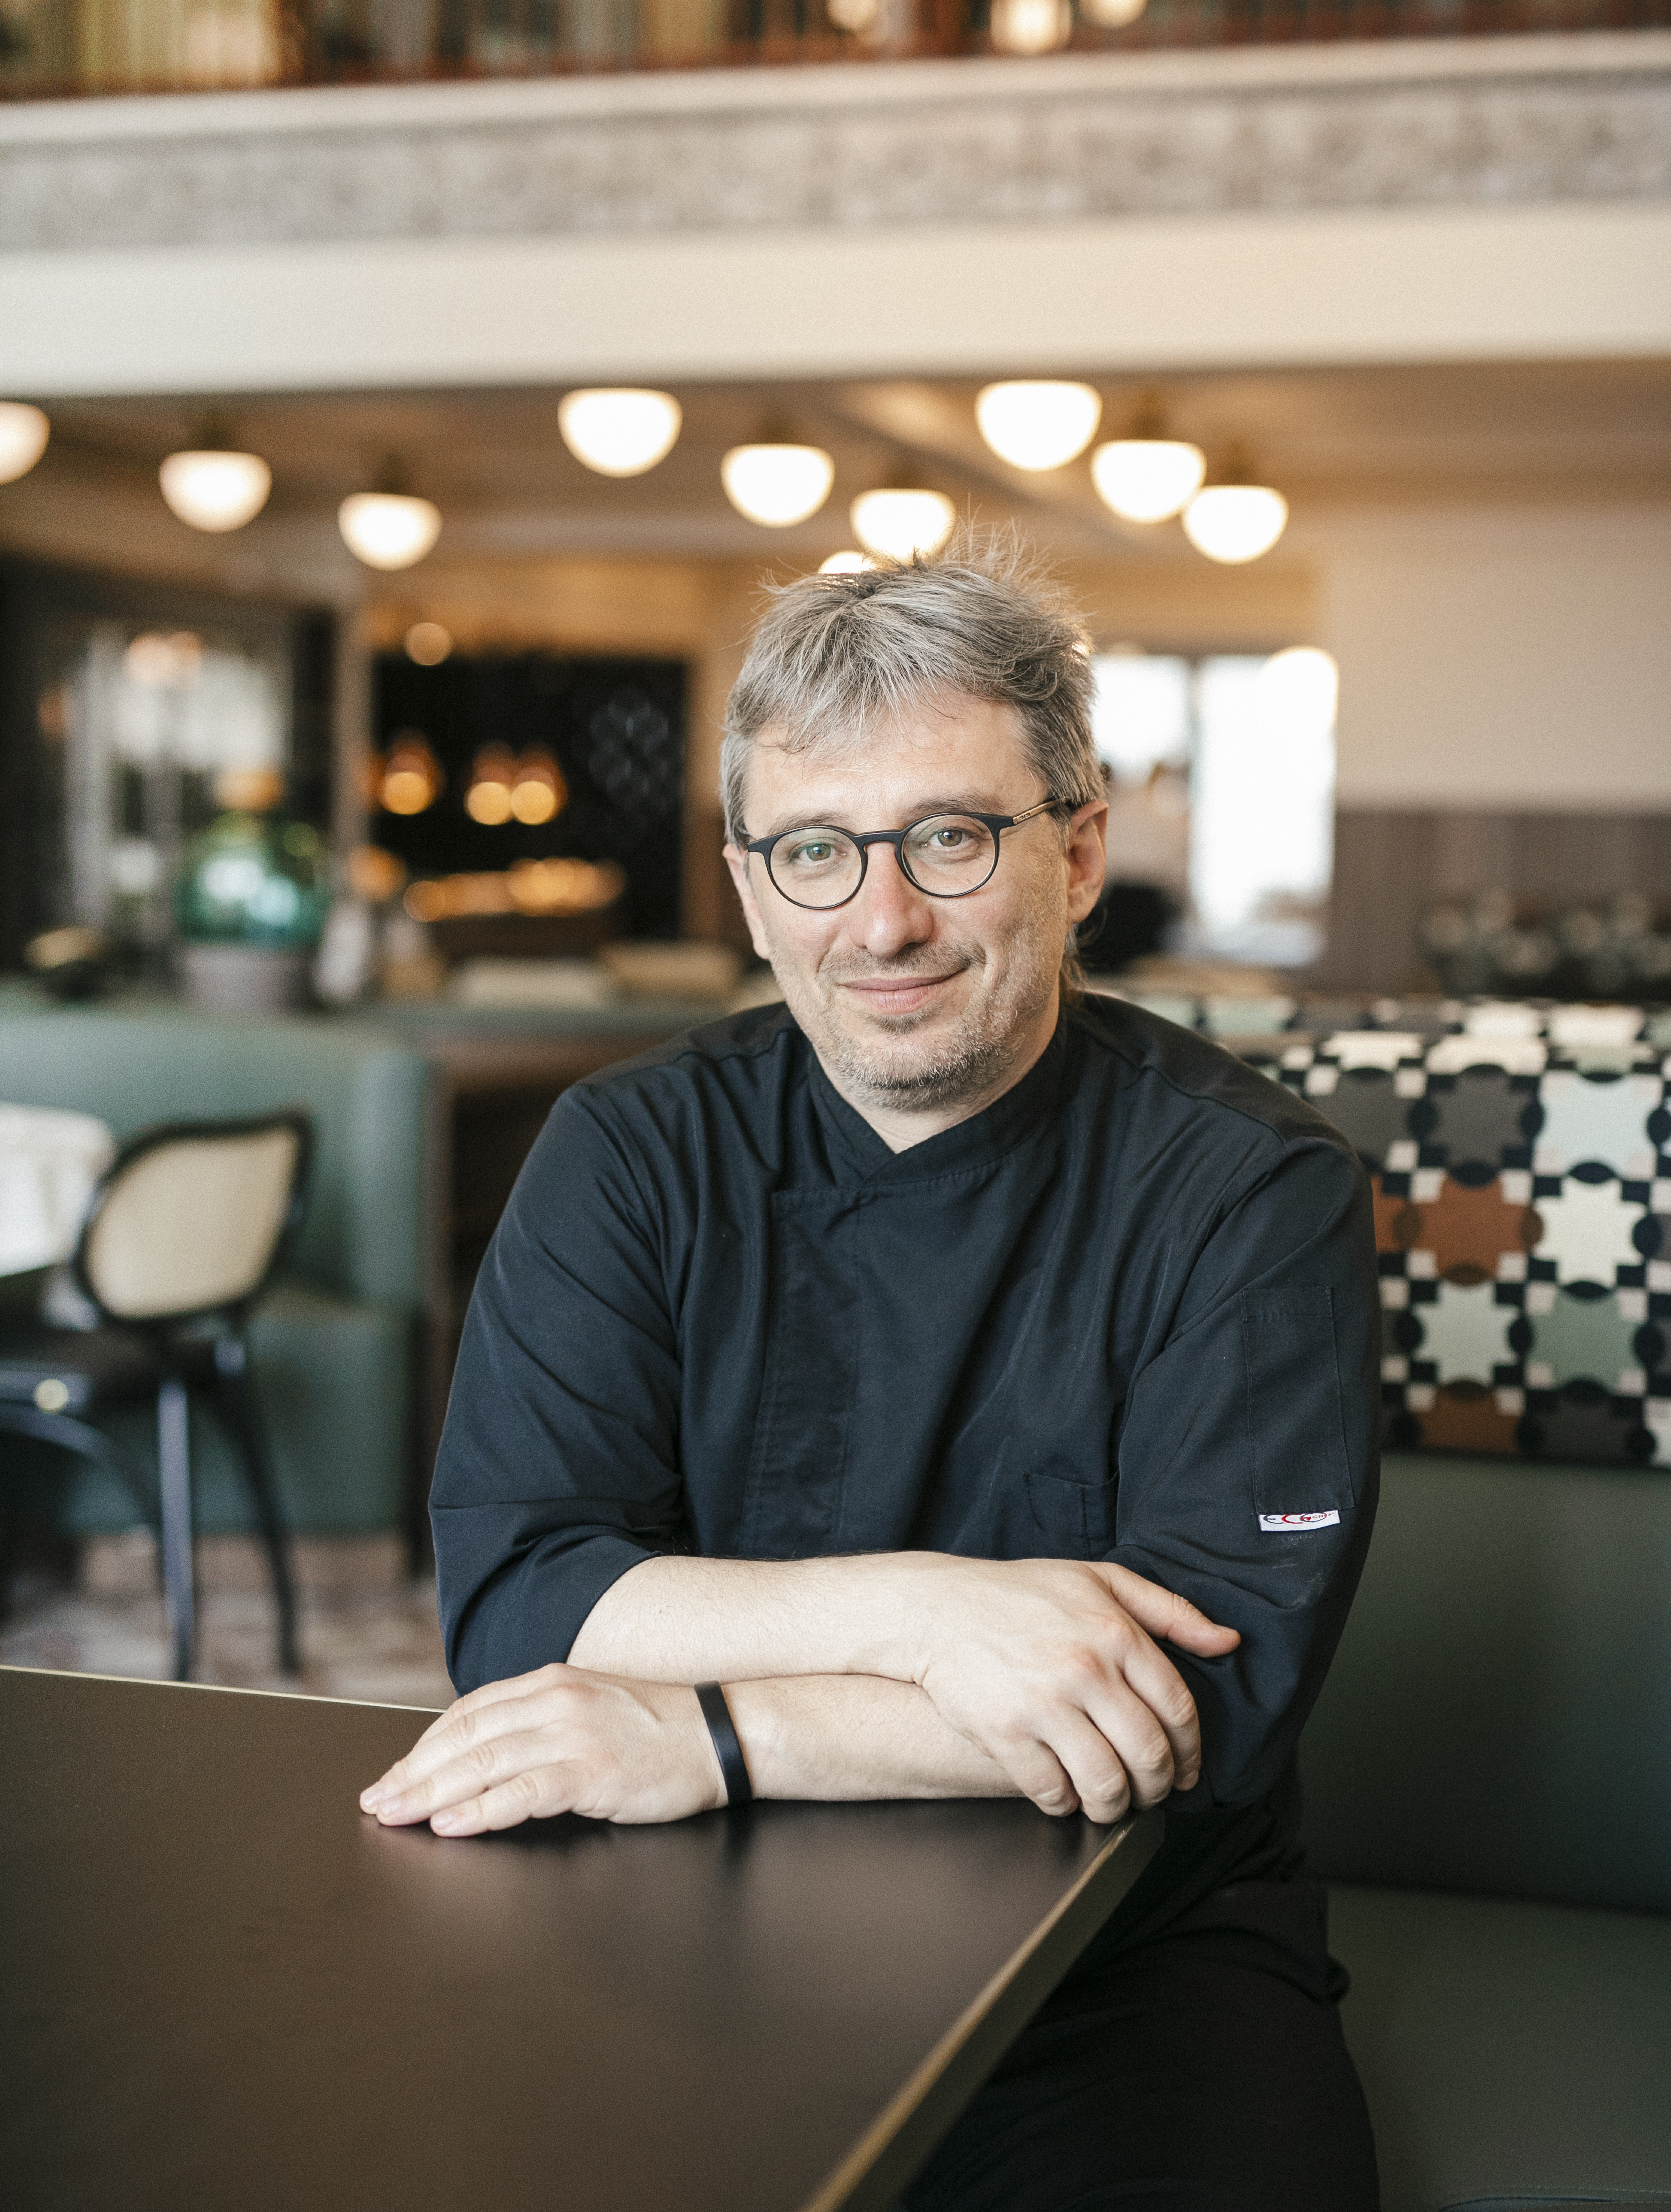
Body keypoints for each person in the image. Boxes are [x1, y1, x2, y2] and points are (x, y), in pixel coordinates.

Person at [361, 537, 1381, 2211]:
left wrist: (712, 1735)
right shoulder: (627, 1153)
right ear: (754, 888)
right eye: (818, 852)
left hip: (1126, 1962)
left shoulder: (1249, 1186)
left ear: (1078, 851)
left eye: (953, 838)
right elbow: (526, 1595)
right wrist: (932, 1615)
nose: (884, 919)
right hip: (674, 1913)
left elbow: (1207, 1696)